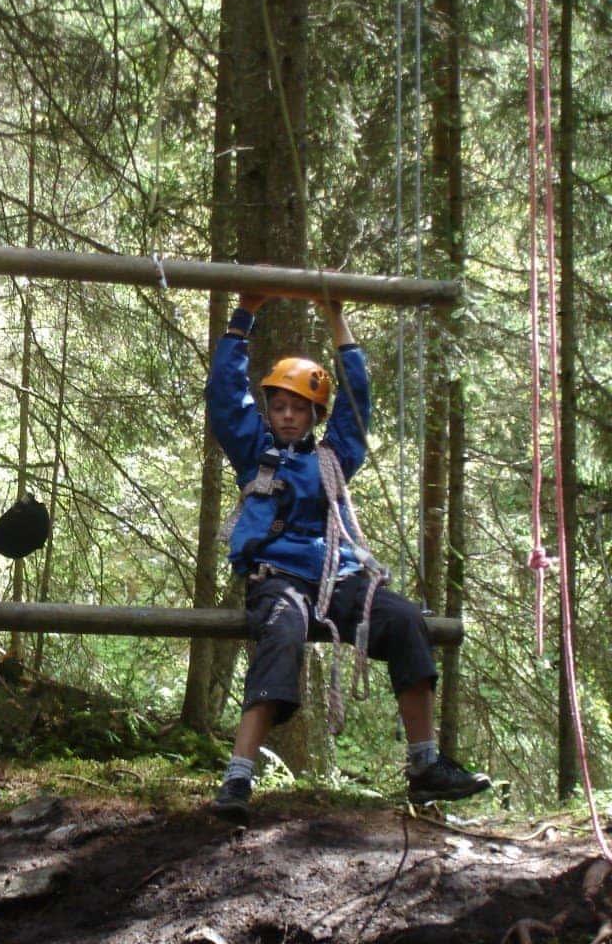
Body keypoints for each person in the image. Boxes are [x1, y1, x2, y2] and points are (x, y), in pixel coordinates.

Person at [204, 292, 489, 826]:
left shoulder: (335, 456)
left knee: (404, 618)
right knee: (283, 632)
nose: (287, 417)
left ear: (315, 414)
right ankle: (239, 774)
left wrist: (338, 318)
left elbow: (358, 398)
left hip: (338, 580)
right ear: (268, 412)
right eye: (279, 407)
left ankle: (425, 764)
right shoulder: (254, 450)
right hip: (279, 580)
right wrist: (245, 315)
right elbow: (224, 396)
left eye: (298, 409)